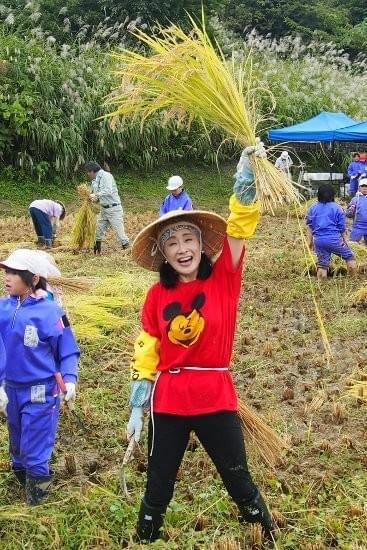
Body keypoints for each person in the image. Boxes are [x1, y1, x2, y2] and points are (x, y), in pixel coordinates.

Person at [127, 143, 275, 543]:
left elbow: (240, 227)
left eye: (187, 238)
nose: (181, 248)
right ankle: (146, 532)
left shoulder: (224, 276)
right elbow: (148, 344)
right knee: (159, 479)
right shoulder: (156, 296)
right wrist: (140, 396)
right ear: (163, 254)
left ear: (200, 242)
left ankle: (264, 528)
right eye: (171, 242)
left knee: (235, 473)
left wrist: (244, 183)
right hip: (169, 399)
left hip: (214, 396)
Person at [0, 249, 79, 505]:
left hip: (41, 391)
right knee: (17, 441)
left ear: (33, 279)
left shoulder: (51, 312)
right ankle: (21, 478)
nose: (7, 277)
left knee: (35, 445)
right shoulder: (3, 308)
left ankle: (39, 501)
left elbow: (67, 349)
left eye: (15, 272)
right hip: (10, 390)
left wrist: (69, 378)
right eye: (7, 271)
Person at [306, 184, 357, 279]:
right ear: (332, 195)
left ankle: (321, 286)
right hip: (334, 240)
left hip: (319, 241)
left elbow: (310, 227)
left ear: (318, 195)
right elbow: (342, 227)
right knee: (350, 257)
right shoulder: (337, 208)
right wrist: (345, 240)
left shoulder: (312, 208)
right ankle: (353, 281)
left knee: (322, 265)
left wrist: (309, 242)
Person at [85, 161, 129, 254]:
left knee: (120, 234)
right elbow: (98, 198)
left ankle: (128, 251)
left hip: (114, 209)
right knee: (98, 231)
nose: (88, 174)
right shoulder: (94, 181)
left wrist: (95, 194)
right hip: (103, 209)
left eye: (88, 172)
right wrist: (92, 199)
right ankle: (97, 251)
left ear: (93, 171)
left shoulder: (106, 176)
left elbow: (108, 190)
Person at [347, 178, 367, 245]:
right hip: (358, 225)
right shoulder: (355, 199)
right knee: (353, 245)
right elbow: (348, 215)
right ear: (359, 188)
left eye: (366, 186)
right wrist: (350, 210)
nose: (365, 188)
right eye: (363, 186)